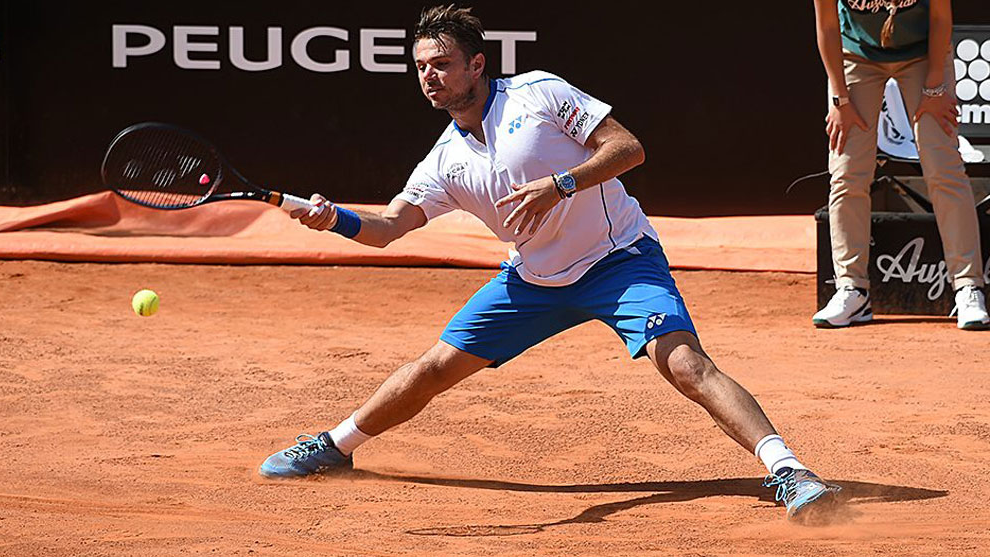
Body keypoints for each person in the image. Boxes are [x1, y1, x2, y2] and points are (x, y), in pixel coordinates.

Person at [260, 4, 842, 523]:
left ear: (477, 64)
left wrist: (561, 184)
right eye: (419, 68)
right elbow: (388, 228)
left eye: (440, 64)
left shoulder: (537, 93)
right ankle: (334, 446)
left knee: (684, 363)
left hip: (619, 261)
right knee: (434, 367)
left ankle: (789, 471)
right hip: (533, 279)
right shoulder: (444, 159)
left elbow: (628, 148)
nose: (428, 78)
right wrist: (332, 218)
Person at [811, 0, 989, 330]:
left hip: (923, 55)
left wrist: (935, 86)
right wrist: (840, 99)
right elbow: (828, 25)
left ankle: (968, 286)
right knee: (847, 172)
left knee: (943, 166)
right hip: (856, 56)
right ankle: (852, 289)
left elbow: (939, 17)